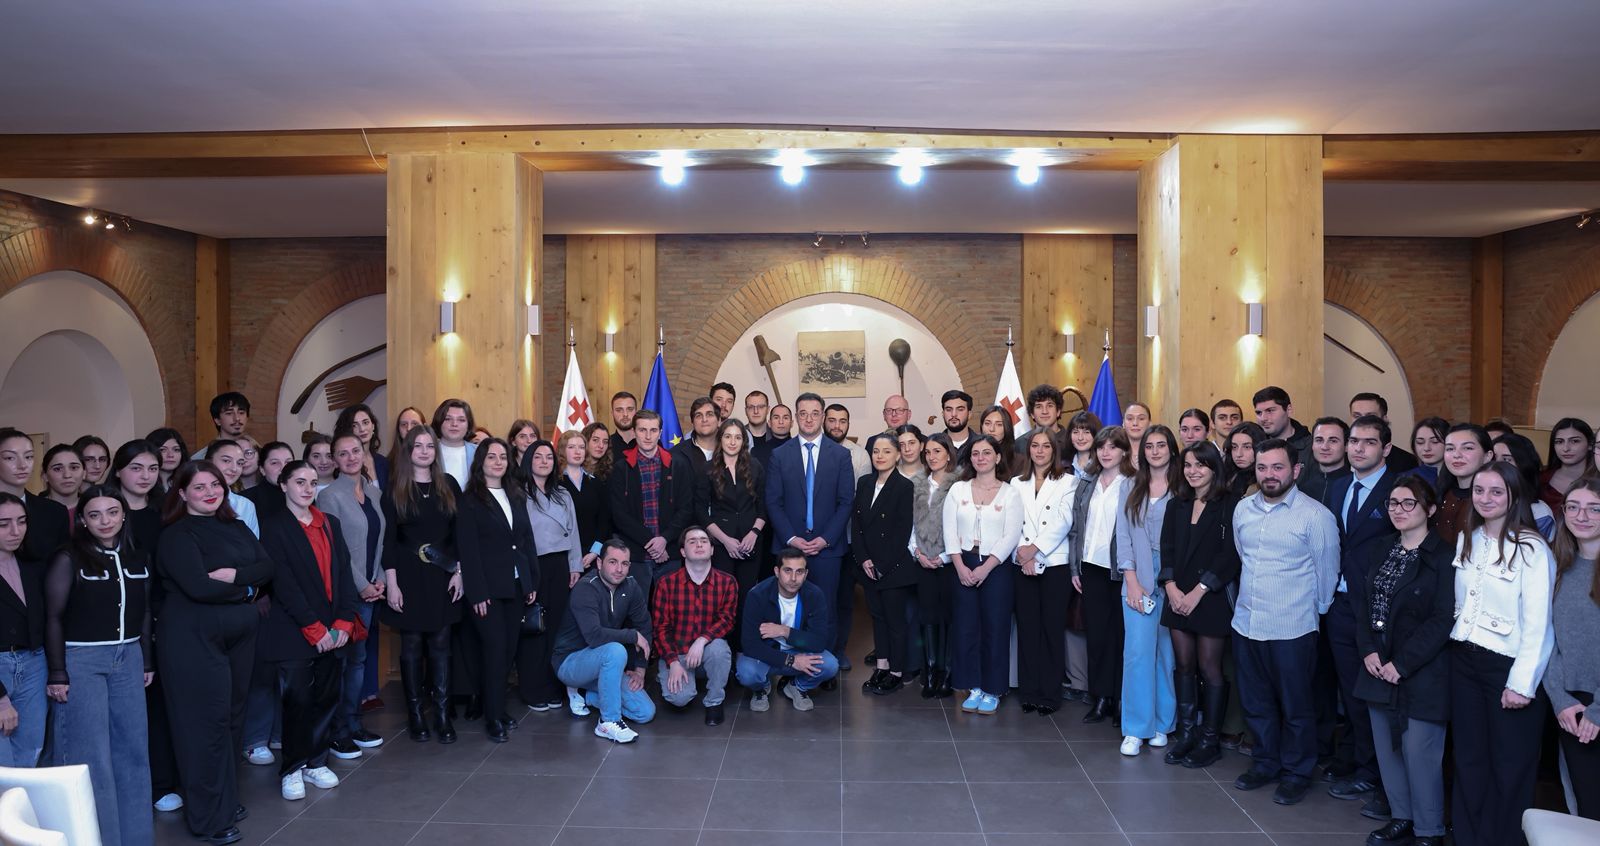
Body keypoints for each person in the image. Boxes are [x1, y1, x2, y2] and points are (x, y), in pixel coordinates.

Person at [157, 460, 274, 845]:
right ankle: (208, 818)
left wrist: (237, 578)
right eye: (199, 487)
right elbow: (199, 587)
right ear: (182, 493)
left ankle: (224, 800)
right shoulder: (176, 535)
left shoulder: (236, 526)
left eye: (215, 485)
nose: (210, 492)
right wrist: (247, 590)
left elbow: (267, 567)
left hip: (238, 635)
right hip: (192, 638)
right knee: (204, 725)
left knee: (232, 719)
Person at [1448, 461, 1556, 846]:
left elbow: (1539, 624)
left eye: (1497, 491)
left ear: (1514, 496)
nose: (1486, 498)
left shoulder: (1532, 548)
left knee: (1510, 767)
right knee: (1469, 760)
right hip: (1464, 662)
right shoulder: (1469, 537)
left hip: (1507, 668)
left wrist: (1521, 684)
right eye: (1479, 490)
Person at [1229, 439, 1341, 806]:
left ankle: (1297, 772)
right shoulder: (1243, 509)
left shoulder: (1315, 516)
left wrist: (1315, 612)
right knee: (1256, 701)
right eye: (1262, 468)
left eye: (1278, 467)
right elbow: (1243, 556)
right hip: (1247, 622)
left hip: (1293, 627)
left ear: (1295, 470)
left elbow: (1327, 573)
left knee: (1296, 706)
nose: (1269, 475)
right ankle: (1265, 762)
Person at [43, 485, 154, 845]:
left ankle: (136, 838)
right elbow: (53, 617)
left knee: (133, 751)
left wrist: (146, 660)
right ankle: (98, 839)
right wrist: (58, 671)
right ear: (83, 520)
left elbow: (145, 611)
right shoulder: (68, 557)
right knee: (91, 756)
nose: (105, 521)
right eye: (95, 514)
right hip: (82, 660)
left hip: (129, 657)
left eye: (112, 512)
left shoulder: (138, 556)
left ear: (124, 515)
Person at [1350, 475, 1454, 846]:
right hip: (1377, 663)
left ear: (1430, 508)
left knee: (1419, 751)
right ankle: (1402, 817)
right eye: (1393, 503)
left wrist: (1402, 663)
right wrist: (1368, 650)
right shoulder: (1382, 548)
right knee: (1387, 749)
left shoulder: (1444, 556)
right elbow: (1364, 605)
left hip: (1421, 668)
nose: (1399, 510)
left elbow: (1443, 619)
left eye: (1409, 503)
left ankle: (1429, 830)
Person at [255, 462, 355, 803]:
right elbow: (284, 584)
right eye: (300, 482)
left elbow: (344, 573)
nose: (307, 489)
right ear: (284, 485)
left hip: (333, 629)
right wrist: (314, 628)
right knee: (297, 701)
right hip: (294, 628)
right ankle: (293, 767)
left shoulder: (330, 523)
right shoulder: (273, 527)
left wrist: (344, 622)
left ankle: (316, 761)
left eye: (312, 483)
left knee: (326, 697)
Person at [1322, 414, 1404, 814]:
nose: (1358, 448)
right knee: (1348, 689)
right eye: (1354, 441)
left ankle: (1375, 773)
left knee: (1375, 693)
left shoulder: (1398, 489)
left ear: (1386, 448)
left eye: (1369, 442)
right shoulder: (1339, 486)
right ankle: (1356, 758)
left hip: (1378, 606)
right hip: (1340, 602)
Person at [1157, 442, 1240, 768]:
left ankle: (1209, 740)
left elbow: (1230, 554)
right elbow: (1167, 548)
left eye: (1200, 465)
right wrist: (1171, 587)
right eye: (1188, 465)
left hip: (1210, 597)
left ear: (1213, 468)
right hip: (1177, 595)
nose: (1193, 471)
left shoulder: (1230, 504)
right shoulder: (1176, 504)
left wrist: (1199, 590)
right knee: (1184, 666)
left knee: (1210, 668)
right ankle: (1187, 734)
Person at [380, 425, 463, 743]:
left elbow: (460, 535)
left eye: (430, 446)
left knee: (441, 644)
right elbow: (389, 540)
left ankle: (442, 715)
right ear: (408, 451)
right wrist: (392, 583)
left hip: (443, 575)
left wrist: (460, 571)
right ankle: (415, 715)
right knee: (412, 645)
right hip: (408, 576)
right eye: (418, 446)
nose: (425, 451)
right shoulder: (395, 489)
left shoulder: (449, 485)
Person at [109, 441, 179, 813]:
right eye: (136, 468)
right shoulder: (105, 512)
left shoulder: (166, 512)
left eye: (152, 468)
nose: (146, 476)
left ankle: (163, 781)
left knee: (162, 705)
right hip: (119, 622)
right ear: (119, 470)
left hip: (164, 616)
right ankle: (136, 786)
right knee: (129, 711)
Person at [765, 392, 855, 674]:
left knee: (825, 608)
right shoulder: (780, 455)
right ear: (796, 416)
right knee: (791, 609)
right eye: (803, 413)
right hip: (789, 549)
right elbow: (773, 502)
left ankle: (823, 667)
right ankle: (791, 667)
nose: (808, 419)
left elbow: (846, 502)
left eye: (815, 413)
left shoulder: (841, 455)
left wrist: (825, 539)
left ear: (823, 416)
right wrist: (792, 539)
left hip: (828, 549)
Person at [455, 438, 538, 743]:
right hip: (487, 590)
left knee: (508, 651)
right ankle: (492, 717)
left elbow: (526, 541)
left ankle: (499, 709)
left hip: (515, 586)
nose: (498, 462)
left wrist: (530, 582)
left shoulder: (515, 495)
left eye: (503, 457)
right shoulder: (469, 500)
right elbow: (468, 551)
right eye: (492, 457)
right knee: (494, 649)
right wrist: (476, 593)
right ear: (481, 462)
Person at [315, 432, 386, 756]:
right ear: (334, 460)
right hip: (346, 591)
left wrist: (379, 578)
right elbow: (337, 548)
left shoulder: (373, 493)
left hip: (371, 588)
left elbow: (380, 540)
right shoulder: (330, 496)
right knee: (343, 664)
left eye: (355, 451)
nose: (350, 457)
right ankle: (337, 730)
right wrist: (363, 585)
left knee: (358, 661)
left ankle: (354, 723)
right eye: (342, 453)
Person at [944, 434, 1022, 715]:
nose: (981, 458)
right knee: (966, 628)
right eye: (975, 453)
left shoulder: (1010, 492)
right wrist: (959, 566)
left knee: (995, 628)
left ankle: (993, 689)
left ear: (998, 457)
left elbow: (1011, 534)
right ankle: (973, 685)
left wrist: (986, 567)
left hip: (996, 567)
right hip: (962, 563)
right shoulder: (958, 490)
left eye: (987, 453)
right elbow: (949, 529)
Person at [553, 539, 655, 742]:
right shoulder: (585, 588)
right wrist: (632, 635)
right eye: (612, 562)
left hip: (605, 664)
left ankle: (587, 696)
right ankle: (608, 722)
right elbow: (594, 636)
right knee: (616, 650)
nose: (619, 569)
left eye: (624, 563)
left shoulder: (631, 586)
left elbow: (644, 626)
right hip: (570, 662)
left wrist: (640, 670)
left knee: (644, 712)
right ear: (599, 563)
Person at [1116, 424, 1179, 755]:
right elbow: (1123, 535)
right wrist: (1131, 579)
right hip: (1137, 574)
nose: (1155, 451)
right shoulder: (1129, 485)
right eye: (1149, 446)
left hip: (1173, 577)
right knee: (1138, 652)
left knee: (1165, 653)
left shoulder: (1183, 486)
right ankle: (1135, 728)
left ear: (1171, 449)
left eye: (1161, 445)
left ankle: (1162, 723)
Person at [1069, 425, 1135, 724]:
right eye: (1101, 447)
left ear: (1124, 451)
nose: (1106, 452)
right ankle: (1101, 698)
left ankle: (1121, 700)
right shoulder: (1087, 482)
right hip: (1091, 567)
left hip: (1121, 569)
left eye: (1113, 446)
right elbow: (1075, 528)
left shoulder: (1133, 483)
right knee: (1096, 636)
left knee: (1121, 637)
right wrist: (1075, 567)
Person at [1011, 427, 1075, 716]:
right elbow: (1012, 522)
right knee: (1027, 629)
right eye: (1035, 445)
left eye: (1045, 446)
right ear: (1029, 450)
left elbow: (1064, 521)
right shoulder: (1016, 483)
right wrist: (1023, 555)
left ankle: (1049, 694)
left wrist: (1034, 550)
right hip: (1021, 563)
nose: (1039, 451)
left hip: (1054, 564)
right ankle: (1029, 691)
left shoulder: (1068, 481)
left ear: (1054, 450)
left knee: (1051, 629)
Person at [1548, 479, 1600, 820]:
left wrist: (1599, 710)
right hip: (1572, 704)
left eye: (1595, 509)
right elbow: (1546, 641)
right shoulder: (1556, 567)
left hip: (1597, 704)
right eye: (1574, 507)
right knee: (1585, 807)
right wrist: (1560, 699)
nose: (1582, 516)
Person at [520, 440, 584, 713]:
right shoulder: (518, 493)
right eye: (538, 456)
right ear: (528, 461)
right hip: (533, 564)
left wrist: (575, 566)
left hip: (560, 565)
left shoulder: (562, 493)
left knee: (557, 627)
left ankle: (553, 686)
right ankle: (532, 689)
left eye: (549, 457)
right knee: (534, 627)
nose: (544, 461)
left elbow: (574, 531)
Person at [651, 526, 737, 724]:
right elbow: (660, 628)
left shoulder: (727, 582)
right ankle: (673, 676)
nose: (699, 544)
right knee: (679, 699)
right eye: (692, 541)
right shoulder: (666, 583)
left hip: (707, 651)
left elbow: (727, 620)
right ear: (683, 552)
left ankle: (714, 701)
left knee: (719, 648)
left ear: (712, 550)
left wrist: (701, 640)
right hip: (677, 653)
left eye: (704, 541)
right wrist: (672, 662)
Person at [737, 547, 839, 712]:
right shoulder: (757, 595)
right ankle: (761, 688)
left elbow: (819, 642)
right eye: (787, 570)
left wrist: (785, 631)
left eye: (799, 572)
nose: (793, 578)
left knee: (830, 665)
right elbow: (749, 645)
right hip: (768, 654)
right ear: (777, 572)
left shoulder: (814, 595)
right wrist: (790, 660)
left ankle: (797, 686)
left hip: (800, 651)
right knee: (746, 673)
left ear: (806, 574)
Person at [854, 433, 918, 695]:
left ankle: (896, 672)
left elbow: (903, 531)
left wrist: (880, 564)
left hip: (893, 567)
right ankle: (881, 667)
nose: (880, 456)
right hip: (868, 565)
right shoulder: (864, 482)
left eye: (887, 451)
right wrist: (863, 558)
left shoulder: (904, 487)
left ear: (898, 455)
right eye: (876, 451)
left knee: (895, 622)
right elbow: (857, 524)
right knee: (877, 618)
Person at [609, 409, 693, 598]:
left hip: (669, 553)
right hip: (635, 556)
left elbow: (686, 509)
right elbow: (619, 515)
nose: (648, 436)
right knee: (635, 609)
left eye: (653, 430)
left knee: (671, 609)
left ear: (660, 433)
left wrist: (664, 540)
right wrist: (651, 542)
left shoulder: (678, 464)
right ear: (634, 432)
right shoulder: (621, 468)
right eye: (642, 430)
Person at [696, 419, 766, 638]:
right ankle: (722, 646)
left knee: (746, 597)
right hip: (721, 543)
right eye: (728, 436)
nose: (732, 442)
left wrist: (754, 533)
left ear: (744, 441)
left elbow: (764, 506)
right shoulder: (708, 469)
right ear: (720, 439)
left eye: (737, 437)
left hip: (750, 542)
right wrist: (725, 540)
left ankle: (744, 647)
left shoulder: (755, 467)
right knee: (723, 599)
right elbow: (700, 510)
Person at [0, 492, 45, 768]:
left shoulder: (33, 565)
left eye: (22, 521)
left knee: (30, 754)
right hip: (2, 664)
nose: (15, 531)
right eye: (3, 524)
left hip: (34, 661)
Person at [913, 433, 959, 699]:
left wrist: (943, 557)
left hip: (950, 562)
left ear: (948, 453)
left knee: (948, 619)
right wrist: (917, 552)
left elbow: (962, 525)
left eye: (937, 451)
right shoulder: (918, 483)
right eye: (928, 452)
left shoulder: (960, 484)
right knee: (927, 618)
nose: (932, 457)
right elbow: (910, 523)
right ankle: (930, 672)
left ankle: (947, 674)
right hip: (923, 560)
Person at [0, 429, 70, 564]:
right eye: (10, 458)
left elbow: (62, 564)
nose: (22, 465)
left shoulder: (55, 512)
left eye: (28, 457)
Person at [559, 429, 609, 581]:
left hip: (593, 555)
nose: (577, 451)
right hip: (564, 555)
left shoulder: (595, 482)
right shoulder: (554, 483)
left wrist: (594, 552)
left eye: (581, 447)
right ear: (562, 450)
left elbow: (605, 520)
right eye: (571, 447)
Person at [1434, 423, 1493, 545]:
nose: (1457, 455)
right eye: (1450, 449)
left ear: (1487, 456)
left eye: (1467, 448)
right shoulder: (1440, 492)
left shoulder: (1495, 499)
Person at [1495, 432, 1559, 539]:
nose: (1496, 465)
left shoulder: (1539, 513)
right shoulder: (1481, 502)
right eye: (1493, 458)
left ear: (1523, 465)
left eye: (1507, 459)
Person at [1350, 392, 1420, 474]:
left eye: (1370, 416)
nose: (1363, 421)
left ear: (1384, 419)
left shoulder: (1406, 462)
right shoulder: (1340, 457)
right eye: (1357, 416)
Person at [203, 440, 259, 538]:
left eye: (239, 463)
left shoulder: (245, 505)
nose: (234, 468)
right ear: (209, 462)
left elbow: (252, 544)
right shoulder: (195, 498)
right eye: (226, 461)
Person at [1540, 418, 1596, 513]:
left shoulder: (1597, 480)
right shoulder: (1540, 480)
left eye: (1575, 441)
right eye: (1559, 442)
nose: (1566, 448)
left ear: (1590, 444)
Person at [334, 403, 388, 492]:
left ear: (373, 426)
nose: (362, 429)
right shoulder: (345, 463)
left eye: (365, 422)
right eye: (354, 425)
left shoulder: (384, 462)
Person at [1298, 417, 1350, 507]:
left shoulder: (1355, 487)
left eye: (1333, 441)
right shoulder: (1303, 489)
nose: (1325, 447)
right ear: (1312, 445)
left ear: (1346, 446)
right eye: (1319, 440)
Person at [1252, 386, 1312, 461]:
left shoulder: (1312, 447)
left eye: (1270, 411)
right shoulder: (1252, 446)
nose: (1263, 418)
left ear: (1288, 410)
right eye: (1259, 413)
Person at [432, 399, 478, 488]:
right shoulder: (429, 451)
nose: (454, 424)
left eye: (461, 420)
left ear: (468, 424)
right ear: (439, 421)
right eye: (448, 419)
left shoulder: (479, 452)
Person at [193, 393, 251, 459]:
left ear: (247, 418)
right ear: (217, 420)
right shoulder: (201, 458)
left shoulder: (257, 453)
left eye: (241, 413)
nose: (237, 418)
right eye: (229, 413)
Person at [825, 403, 871, 479]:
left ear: (848, 425)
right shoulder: (811, 450)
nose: (837, 426)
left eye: (842, 422)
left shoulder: (861, 455)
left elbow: (864, 485)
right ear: (823, 422)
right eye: (832, 421)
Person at [1224, 422, 1268, 499]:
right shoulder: (1225, 476)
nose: (1239, 454)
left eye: (1247, 447)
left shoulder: (1266, 481)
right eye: (1234, 447)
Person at [978, 404, 1023, 479]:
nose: (992, 429)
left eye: (999, 424)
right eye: (987, 423)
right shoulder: (972, 456)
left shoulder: (1019, 461)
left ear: (1007, 428)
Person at [40, 443, 85, 514]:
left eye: (74, 468)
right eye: (58, 469)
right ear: (45, 476)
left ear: (84, 473)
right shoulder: (31, 510)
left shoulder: (94, 507)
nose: (67, 475)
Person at [1408, 417, 1449, 487]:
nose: (1426, 448)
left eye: (1435, 442)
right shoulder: (1406, 479)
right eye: (1420, 442)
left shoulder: (1460, 476)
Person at [145, 427, 188, 492]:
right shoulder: (143, 483)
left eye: (176, 449)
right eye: (162, 450)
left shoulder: (189, 481)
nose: (170, 455)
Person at [387, 406, 425, 472]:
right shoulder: (388, 463)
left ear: (424, 427)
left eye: (414, 424)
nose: (409, 429)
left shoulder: (433, 457)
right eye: (404, 424)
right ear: (398, 430)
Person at [941, 390, 974, 454]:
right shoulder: (933, 446)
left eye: (960, 409)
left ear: (969, 414)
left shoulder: (982, 444)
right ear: (943, 414)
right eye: (948, 410)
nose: (954, 414)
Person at [608, 391, 638, 457]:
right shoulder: (605, 446)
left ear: (636, 412)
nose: (625, 414)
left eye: (630, 409)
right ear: (612, 413)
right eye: (619, 410)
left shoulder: (650, 444)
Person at [1123, 402, 1152, 469]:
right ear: (1123, 423)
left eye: (1141, 419)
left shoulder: (1157, 453)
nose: (1135, 423)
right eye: (1130, 418)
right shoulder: (1114, 454)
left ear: (1150, 423)